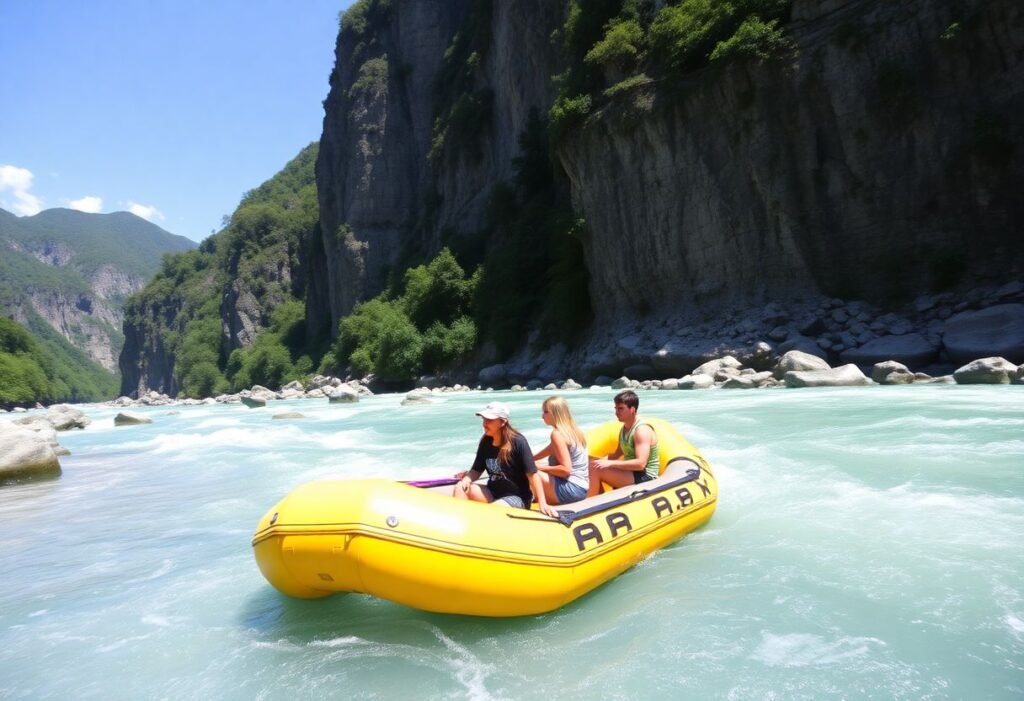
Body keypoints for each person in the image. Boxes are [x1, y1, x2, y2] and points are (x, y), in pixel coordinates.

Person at [454, 401, 558, 518]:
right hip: (492, 492)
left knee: (493, 511)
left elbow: (533, 475)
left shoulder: (518, 442)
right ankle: (461, 524)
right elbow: (476, 470)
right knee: (459, 487)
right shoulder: (486, 441)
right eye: (484, 419)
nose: (484, 423)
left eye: (490, 420)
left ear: (502, 422)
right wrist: (467, 479)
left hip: (517, 497)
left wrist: (543, 504)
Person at [587, 389, 660, 496]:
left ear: (632, 409)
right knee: (593, 465)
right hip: (633, 473)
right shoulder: (624, 429)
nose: (616, 412)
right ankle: (600, 499)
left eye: (621, 408)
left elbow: (640, 464)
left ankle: (591, 504)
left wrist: (610, 464)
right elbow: (616, 455)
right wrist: (592, 460)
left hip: (646, 476)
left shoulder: (641, 430)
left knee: (596, 470)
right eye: (616, 408)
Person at [532, 396, 589, 505]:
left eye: (546, 412)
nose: (542, 416)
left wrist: (536, 467)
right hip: (581, 489)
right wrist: (529, 459)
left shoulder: (557, 434)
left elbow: (565, 470)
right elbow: (549, 450)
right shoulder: (573, 431)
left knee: (530, 472)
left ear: (555, 413)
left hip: (570, 490)